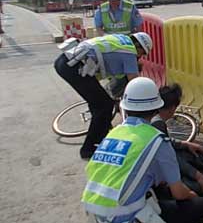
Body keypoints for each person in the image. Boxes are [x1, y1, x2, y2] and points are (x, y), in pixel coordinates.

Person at [82, 77, 203, 223]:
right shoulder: (156, 139)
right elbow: (179, 192)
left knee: (156, 189)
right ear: (156, 108)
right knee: (201, 206)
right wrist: (193, 194)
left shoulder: (115, 132)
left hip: (99, 217)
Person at [54, 32, 153, 160]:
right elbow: (134, 83)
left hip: (67, 61)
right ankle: (89, 149)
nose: (140, 57)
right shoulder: (130, 53)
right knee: (104, 106)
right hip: (74, 66)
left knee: (99, 104)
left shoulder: (121, 40)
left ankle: (104, 133)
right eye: (142, 54)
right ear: (139, 47)